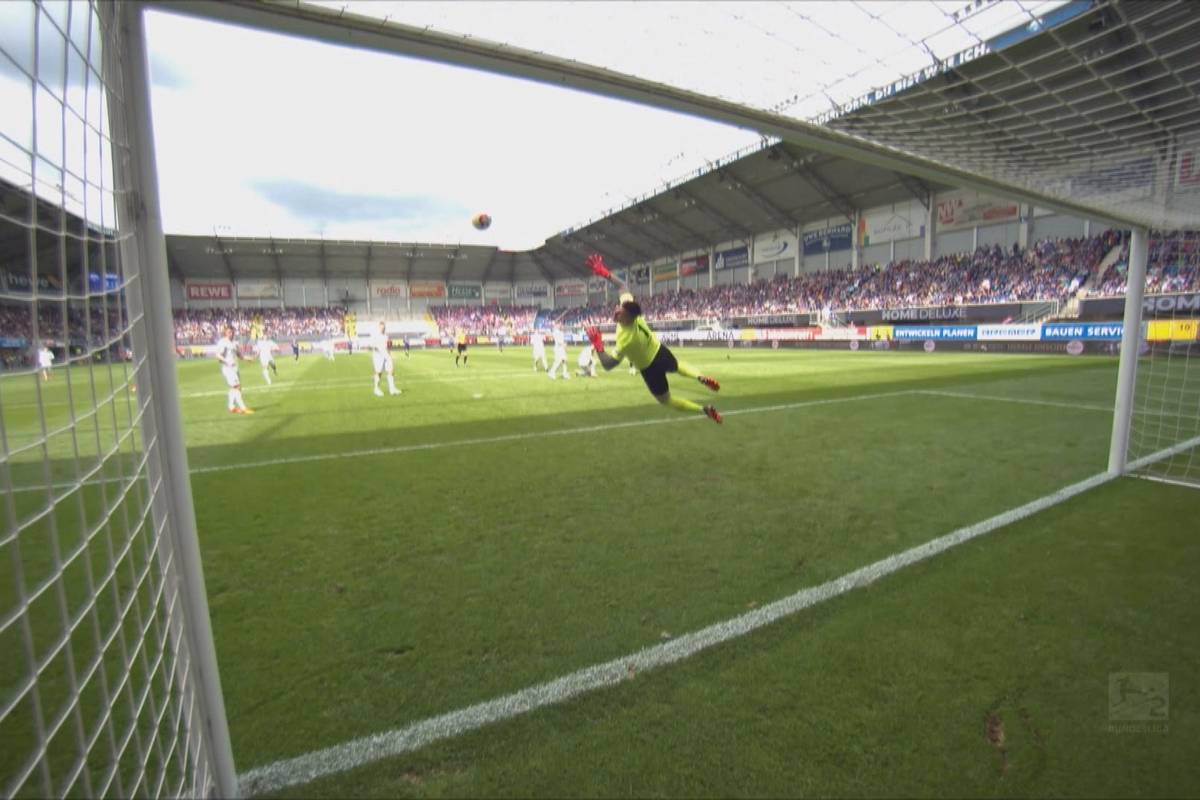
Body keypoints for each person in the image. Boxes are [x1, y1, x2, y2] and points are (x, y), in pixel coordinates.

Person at [586, 254, 721, 423]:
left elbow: (608, 365)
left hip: (650, 369)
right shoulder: (634, 315)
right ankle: (700, 377)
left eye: (620, 312)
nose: (616, 310)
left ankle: (703, 410)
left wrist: (598, 345)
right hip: (660, 352)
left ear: (628, 318)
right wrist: (604, 272)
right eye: (618, 307)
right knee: (678, 366)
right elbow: (622, 285)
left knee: (666, 400)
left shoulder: (625, 340)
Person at [216, 325, 253, 414]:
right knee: (237, 387)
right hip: (228, 368)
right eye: (229, 332)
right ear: (225, 333)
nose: (231, 334)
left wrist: (247, 358)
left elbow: (239, 355)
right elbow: (218, 355)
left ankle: (231, 407)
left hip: (235, 368)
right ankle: (243, 408)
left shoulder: (234, 343)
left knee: (235, 388)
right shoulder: (223, 342)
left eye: (232, 332)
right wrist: (227, 361)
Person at [370, 321, 401, 397]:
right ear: (379, 327)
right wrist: (379, 349)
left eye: (383, 327)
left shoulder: (386, 336)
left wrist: (390, 354)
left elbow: (388, 346)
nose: (382, 329)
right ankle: (376, 389)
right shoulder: (375, 335)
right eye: (381, 327)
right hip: (378, 356)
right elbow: (372, 346)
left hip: (386, 355)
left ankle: (392, 389)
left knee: (391, 371)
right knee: (379, 372)